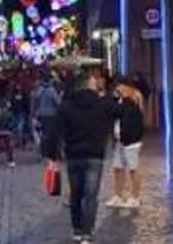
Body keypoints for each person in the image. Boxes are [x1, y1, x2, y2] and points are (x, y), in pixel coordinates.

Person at [49, 71, 120, 243]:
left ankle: (77, 229)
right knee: (91, 194)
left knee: (76, 193)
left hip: (73, 154)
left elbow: (55, 131)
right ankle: (87, 232)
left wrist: (54, 154)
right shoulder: (101, 103)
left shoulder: (67, 105)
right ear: (88, 84)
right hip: (94, 154)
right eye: (93, 81)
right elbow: (120, 111)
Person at [107, 81, 146, 209]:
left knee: (133, 169)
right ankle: (118, 195)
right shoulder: (121, 100)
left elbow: (118, 112)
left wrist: (114, 99)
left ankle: (135, 197)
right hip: (120, 139)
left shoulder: (132, 101)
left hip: (131, 141)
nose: (118, 89)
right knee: (117, 168)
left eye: (121, 86)